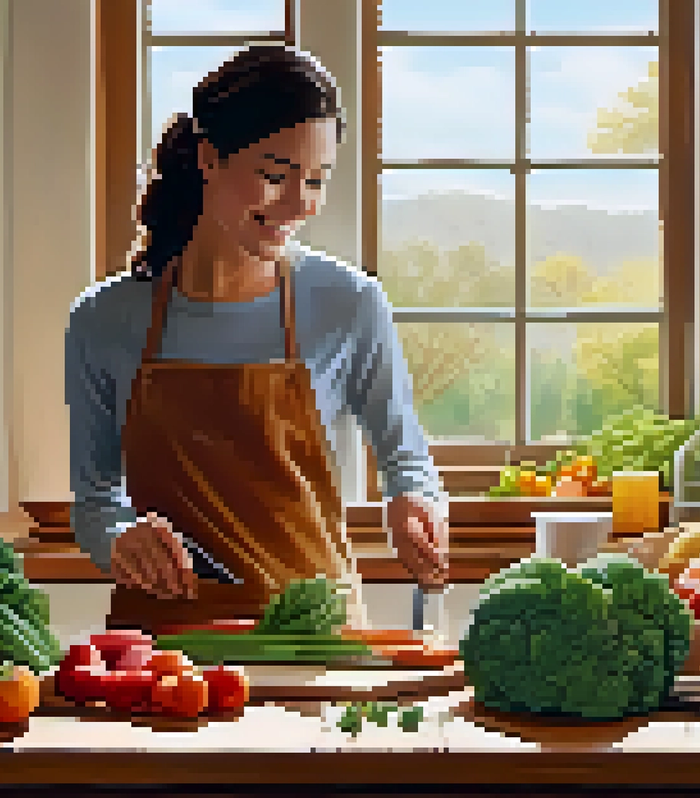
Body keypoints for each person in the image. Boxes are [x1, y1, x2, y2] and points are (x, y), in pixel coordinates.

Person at [66, 44, 448, 632]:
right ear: (209, 158)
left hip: (316, 643)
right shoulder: (104, 319)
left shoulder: (349, 302)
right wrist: (120, 538)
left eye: (316, 180)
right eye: (274, 175)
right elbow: (94, 500)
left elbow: (407, 458)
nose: (299, 204)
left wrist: (414, 501)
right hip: (168, 652)